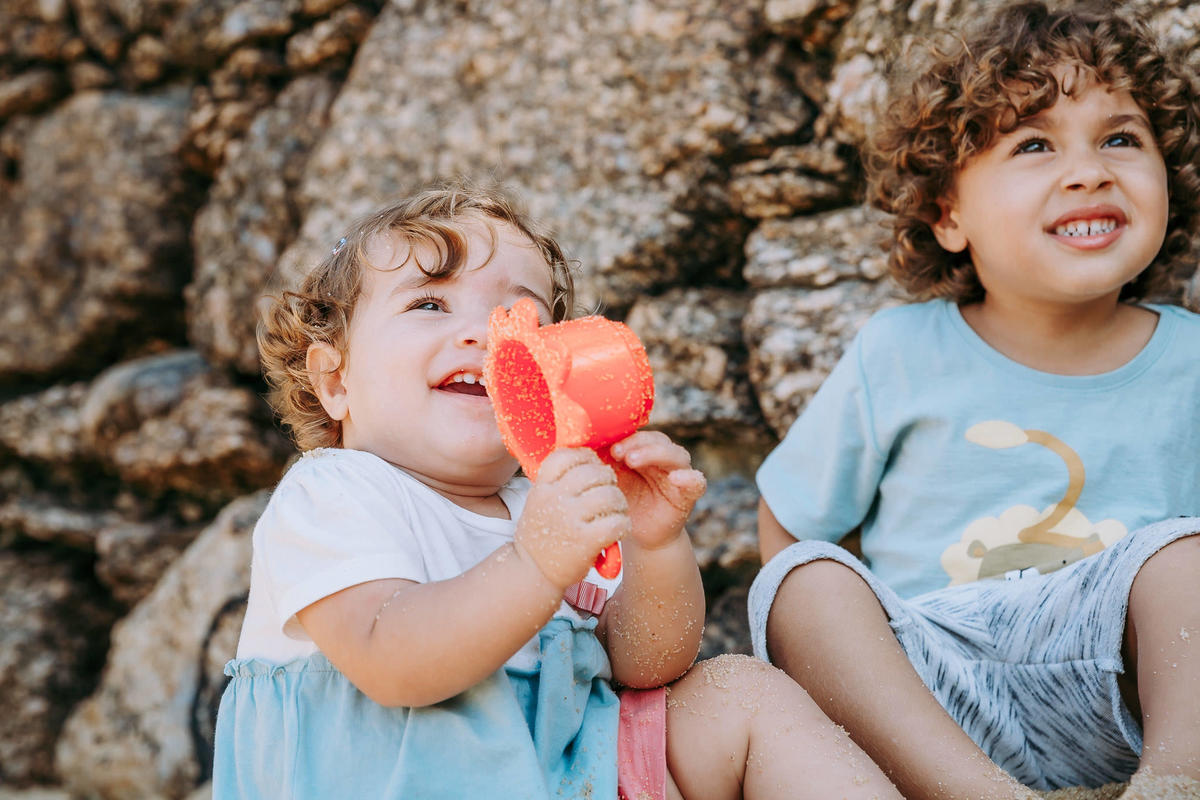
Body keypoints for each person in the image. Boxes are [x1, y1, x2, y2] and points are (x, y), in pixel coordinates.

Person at [212, 181, 901, 800]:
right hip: (387, 782)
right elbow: (392, 663)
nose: (486, 334)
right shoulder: (337, 492)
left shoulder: (543, 504)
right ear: (336, 381)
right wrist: (535, 565)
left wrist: (654, 543)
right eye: (429, 302)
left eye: (523, 317)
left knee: (741, 696)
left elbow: (646, 663)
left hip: (561, 772)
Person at [748, 3, 1200, 799]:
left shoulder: (1191, 360)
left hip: (1118, 686)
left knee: (1185, 562)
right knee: (803, 580)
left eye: (1121, 138)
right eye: (1033, 144)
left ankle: (1175, 780)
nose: (1091, 169)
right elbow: (792, 521)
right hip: (929, 682)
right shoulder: (900, 353)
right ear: (949, 214)